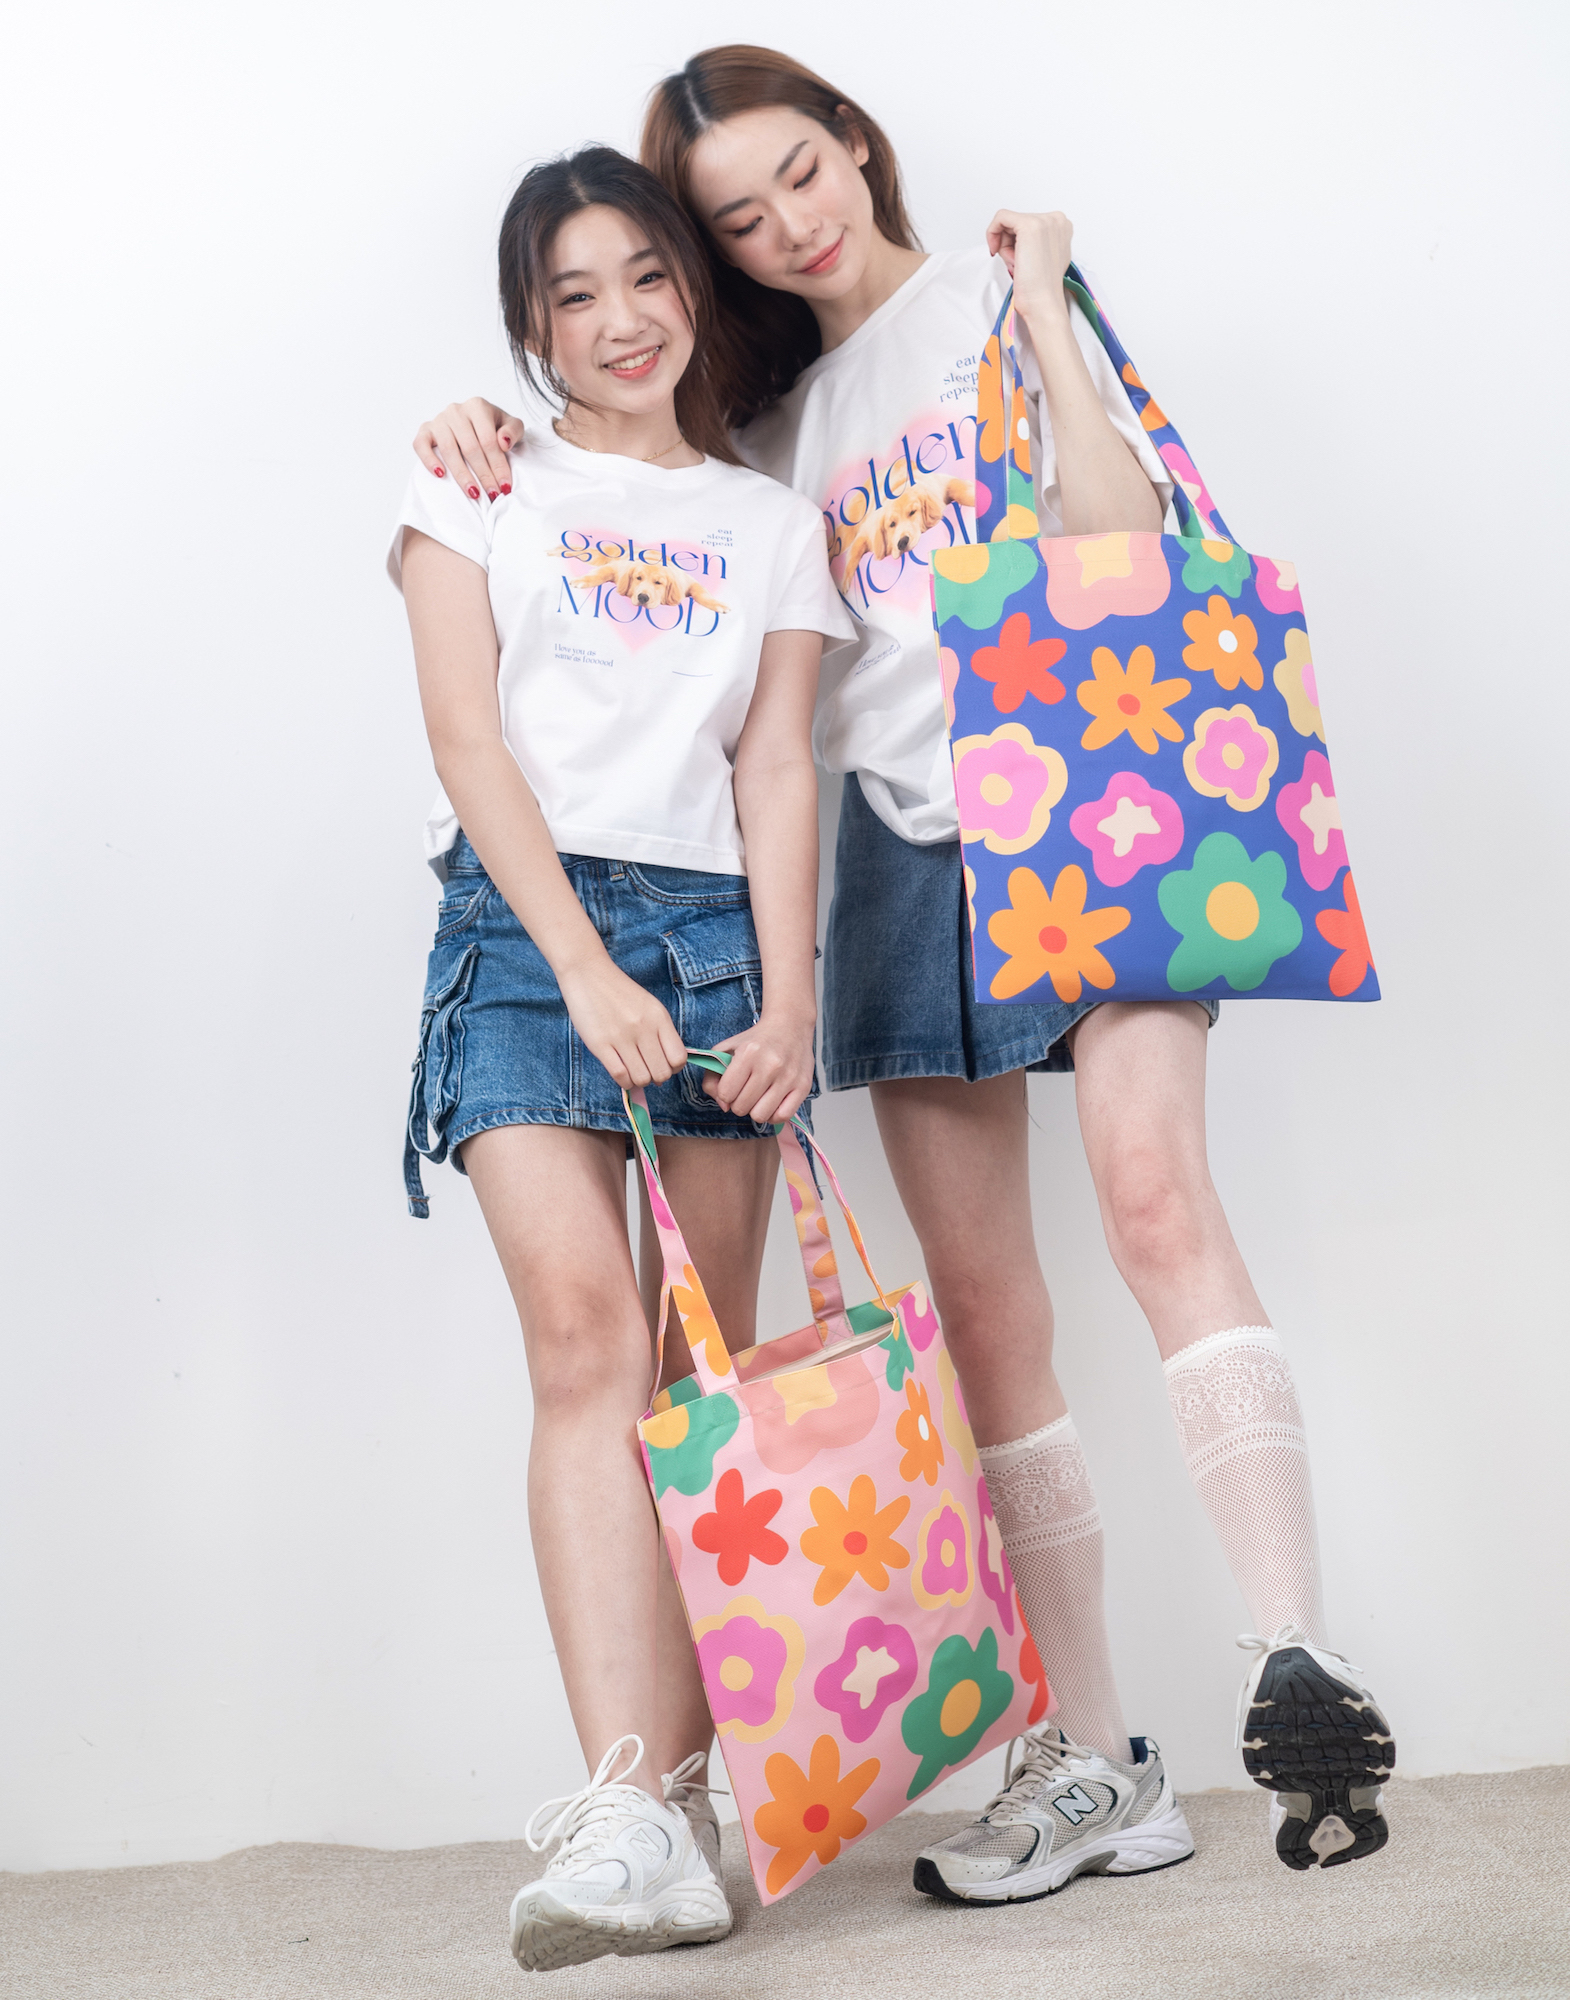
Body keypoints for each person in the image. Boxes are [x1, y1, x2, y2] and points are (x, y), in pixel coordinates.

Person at [411, 48, 1395, 1894]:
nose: (790, 222)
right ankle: (1093, 1757)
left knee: (1151, 1195)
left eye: (803, 170)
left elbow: (1116, 533)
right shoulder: (761, 431)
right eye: (738, 214)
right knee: (983, 1308)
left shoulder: (990, 298)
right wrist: (481, 420)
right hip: (897, 856)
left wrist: (1043, 308)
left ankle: (1295, 1650)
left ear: (855, 144)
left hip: (1092, 795)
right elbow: (666, 569)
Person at [392, 142, 855, 1968]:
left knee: (692, 1381)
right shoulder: (471, 482)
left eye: (644, 277)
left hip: (718, 943)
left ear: (690, 285)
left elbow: (773, 765)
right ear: (530, 326)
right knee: (584, 1341)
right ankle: (613, 1806)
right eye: (570, 295)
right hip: (524, 938)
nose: (617, 321)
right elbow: (467, 739)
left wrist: (791, 1002)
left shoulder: (771, 524)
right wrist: (581, 969)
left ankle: (673, 1808)